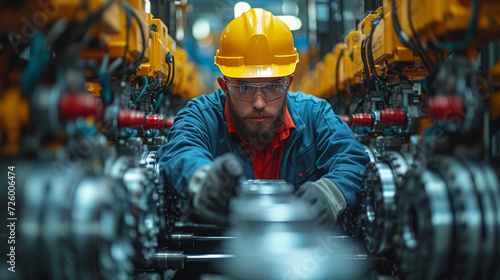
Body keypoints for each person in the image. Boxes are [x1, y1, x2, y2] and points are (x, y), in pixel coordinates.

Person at [158, 8, 369, 226]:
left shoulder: (315, 115)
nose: (259, 103)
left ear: (288, 84)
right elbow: (180, 150)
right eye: (245, 88)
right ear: (224, 87)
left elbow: (352, 158)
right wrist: (203, 180)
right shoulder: (201, 116)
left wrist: (331, 193)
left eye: (272, 87)